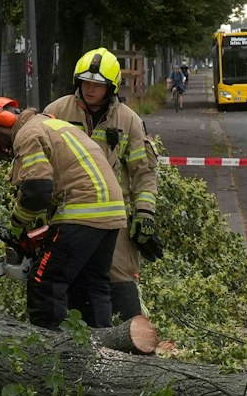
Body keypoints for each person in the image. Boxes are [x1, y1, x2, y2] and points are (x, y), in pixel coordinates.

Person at [0, 96, 128, 329]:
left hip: (81, 211)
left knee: (45, 283)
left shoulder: (28, 134)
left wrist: (16, 225)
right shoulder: (55, 125)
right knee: (91, 285)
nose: (0, 145)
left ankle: (50, 348)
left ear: (3, 120)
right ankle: (102, 347)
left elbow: (37, 190)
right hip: (111, 212)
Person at [44, 47, 160, 322]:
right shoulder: (56, 112)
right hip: (68, 212)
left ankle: (127, 337)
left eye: (97, 84)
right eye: (85, 82)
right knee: (65, 275)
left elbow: (143, 172)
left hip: (112, 215)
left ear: (111, 87)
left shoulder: (128, 120)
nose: (90, 89)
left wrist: (144, 212)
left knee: (118, 275)